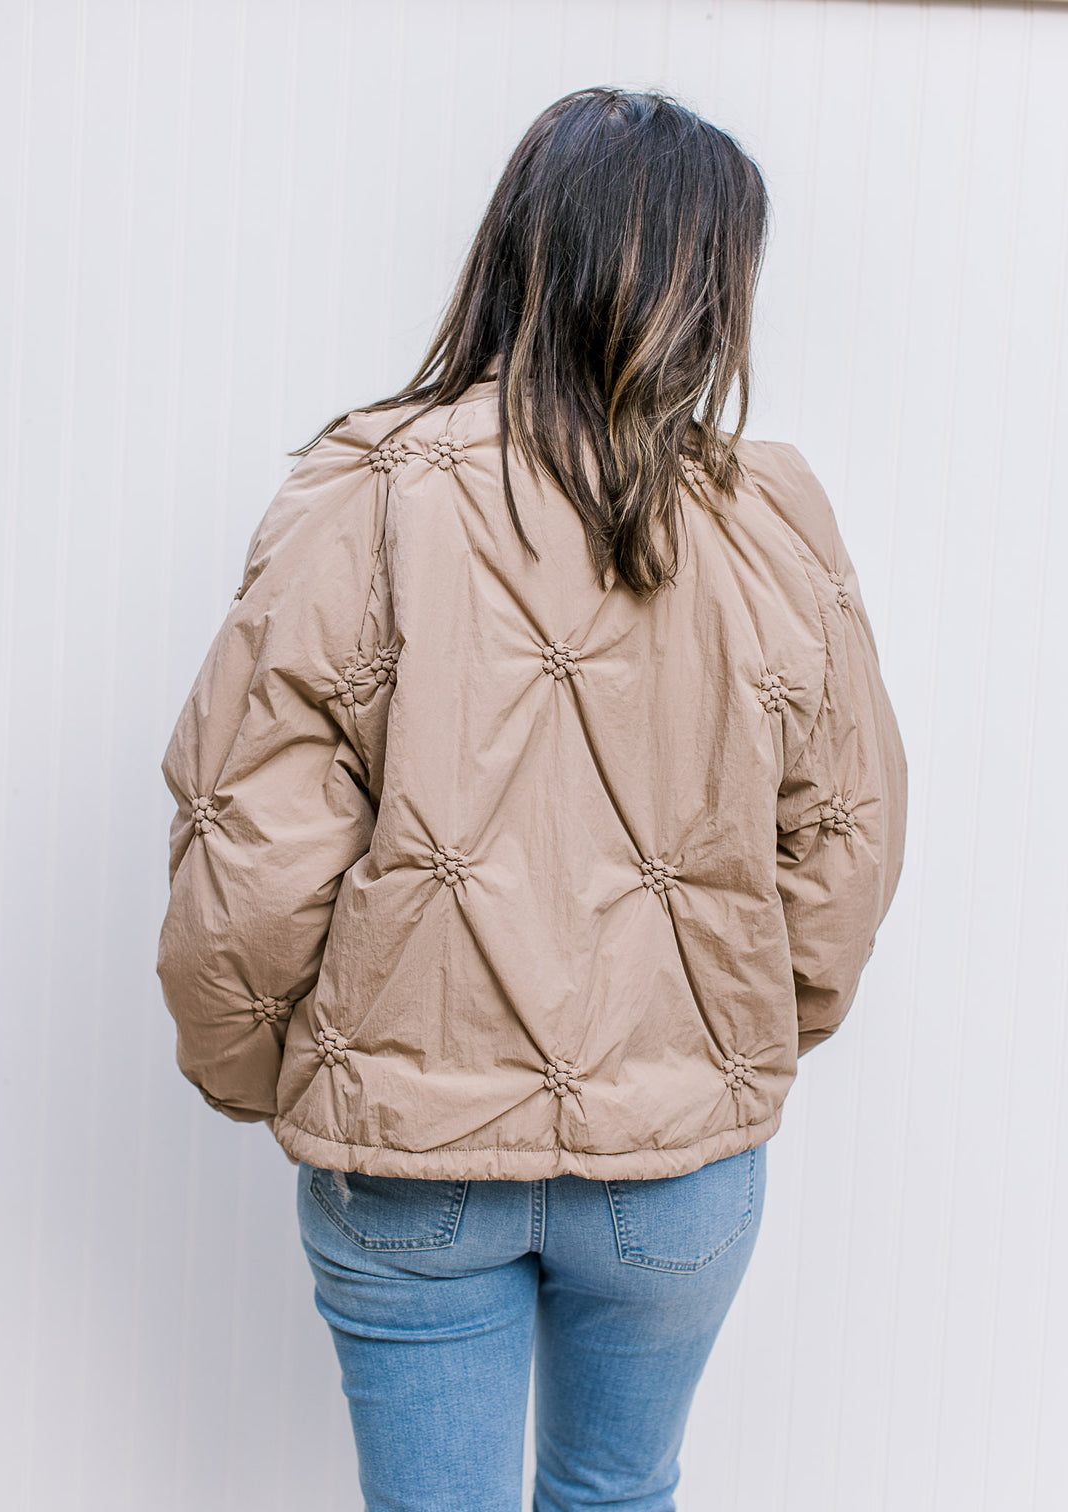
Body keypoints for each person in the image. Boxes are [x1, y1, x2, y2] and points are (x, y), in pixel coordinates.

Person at [157, 86, 907, 1512]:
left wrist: (253, 1072)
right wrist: (735, 1041)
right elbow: (847, 848)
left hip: (411, 1161)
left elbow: (250, 851)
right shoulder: (773, 526)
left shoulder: (360, 493)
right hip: (678, 1171)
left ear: (518, 253)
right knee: (619, 1498)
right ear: (713, 289)